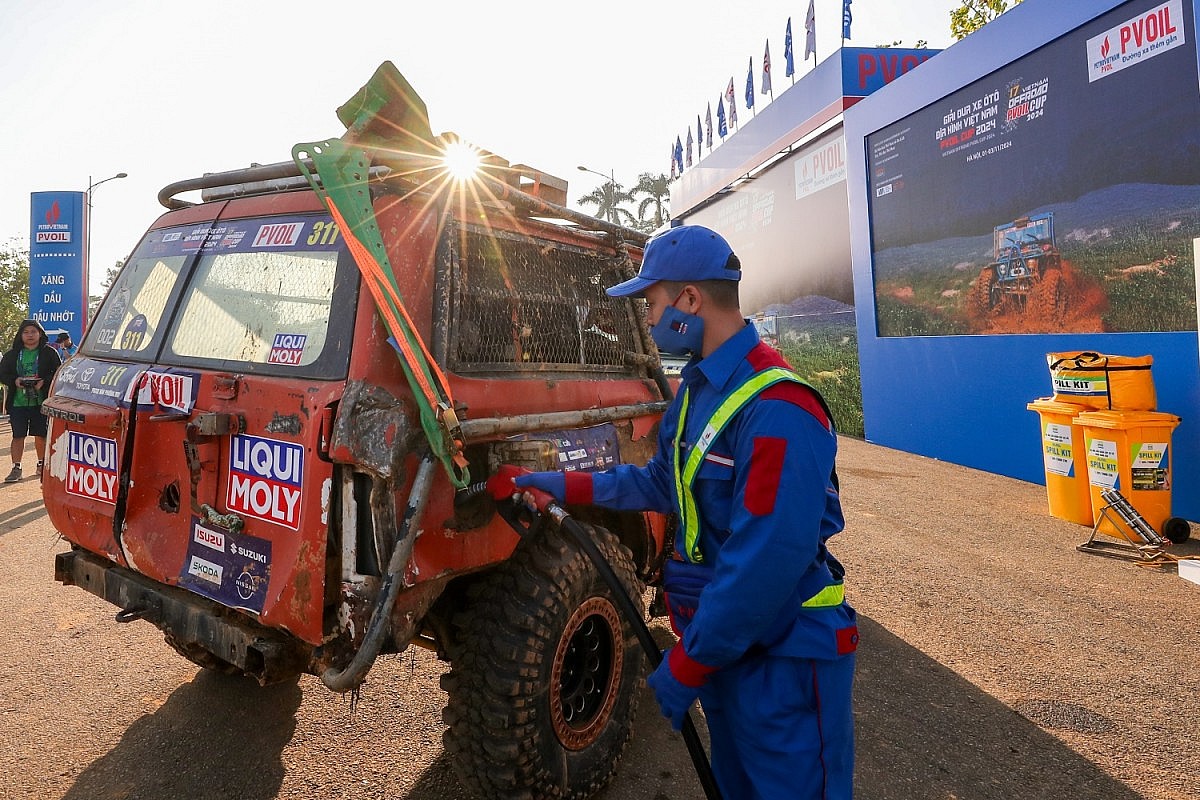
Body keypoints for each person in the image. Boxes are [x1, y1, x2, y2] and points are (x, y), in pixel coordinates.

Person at [489, 225, 856, 800]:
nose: (647, 321)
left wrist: (691, 660)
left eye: (651, 304)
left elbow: (767, 562)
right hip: (731, 646)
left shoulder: (780, 408)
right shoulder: (695, 391)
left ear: (689, 300)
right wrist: (563, 485)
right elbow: (663, 482)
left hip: (784, 656)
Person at [0, 319, 62, 482]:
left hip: (41, 402)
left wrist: (44, 381)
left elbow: (58, 372)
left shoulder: (50, 353)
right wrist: (15, 381)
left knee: (41, 435)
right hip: (17, 402)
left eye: (33, 332)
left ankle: (41, 465)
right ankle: (16, 468)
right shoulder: (12, 354)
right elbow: (2, 374)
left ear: (40, 334)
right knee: (18, 435)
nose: (30, 335)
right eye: (26, 332)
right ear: (20, 335)